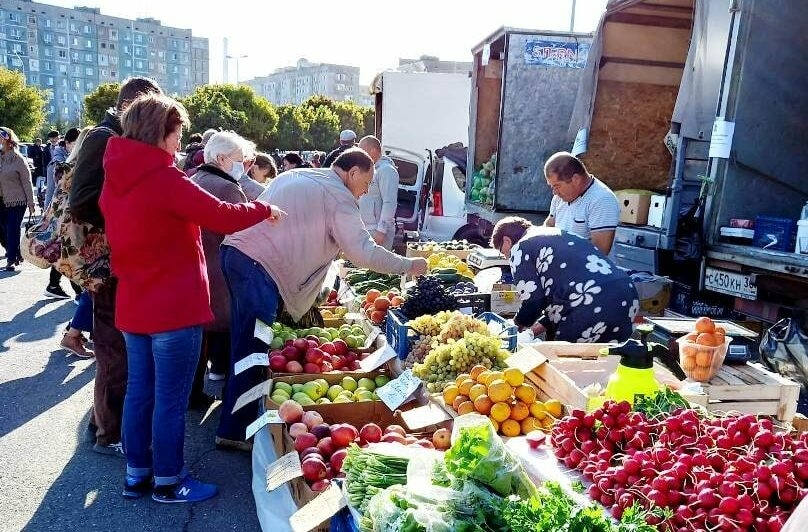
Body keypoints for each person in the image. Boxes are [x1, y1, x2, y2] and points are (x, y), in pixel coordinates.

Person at [100, 93, 283, 503]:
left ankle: (137, 475)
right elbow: (220, 214)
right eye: (177, 133)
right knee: (170, 399)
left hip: (134, 302)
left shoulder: (115, 178)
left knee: (139, 393)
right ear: (159, 132)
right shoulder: (163, 178)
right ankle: (169, 480)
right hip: (174, 306)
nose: (180, 143)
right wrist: (263, 209)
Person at [215, 148, 428, 449]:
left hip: (236, 255)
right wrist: (410, 265)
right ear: (352, 173)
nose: (365, 193)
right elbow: (363, 253)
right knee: (254, 350)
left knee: (244, 343)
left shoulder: (300, 174)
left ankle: (232, 418)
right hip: (258, 268)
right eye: (366, 184)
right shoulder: (338, 196)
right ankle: (234, 432)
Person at [70, 76, 164, 457]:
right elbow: (82, 201)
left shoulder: (117, 136)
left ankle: (105, 422)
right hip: (105, 258)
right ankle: (109, 432)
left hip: (119, 257)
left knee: (121, 344)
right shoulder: (104, 137)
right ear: (137, 106)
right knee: (113, 347)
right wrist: (126, 219)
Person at [492, 217, 638, 343]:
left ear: (506, 240)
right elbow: (563, 299)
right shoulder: (555, 234)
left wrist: (513, 327)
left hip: (589, 303)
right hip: (625, 295)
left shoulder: (520, 247)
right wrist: (532, 331)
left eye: (501, 251)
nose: (505, 257)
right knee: (607, 362)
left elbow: (534, 302)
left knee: (565, 363)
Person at [188, 131, 255, 406]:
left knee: (199, 339)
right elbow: (244, 230)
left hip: (199, 266)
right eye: (240, 160)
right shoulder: (227, 188)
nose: (243, 165)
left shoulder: (194, 179)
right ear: (222, 158)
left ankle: (194, 393)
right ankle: (230, 399)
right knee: (227, 333)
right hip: (220, 269)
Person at [57, 126, 95, 358]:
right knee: (95, 287)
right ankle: (73, 333)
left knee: (90, 288)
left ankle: (75, 332)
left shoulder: (68, 168)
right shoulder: (83, 170)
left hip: (71, 237)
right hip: (86, 237)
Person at [542, 152, 620, 255]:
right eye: (552, 187)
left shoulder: (602, 200)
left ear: (576, 179)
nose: (554, 192)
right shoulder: (559, 198)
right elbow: (549, 224)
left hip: (590, 268)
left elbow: (600, 249)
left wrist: (560, 254)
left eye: (557, 186)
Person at [44, 127, 82, 301]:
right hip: (61, 214)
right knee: (68, 252)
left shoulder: (71, 159)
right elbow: (54, 191)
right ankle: (79, 293)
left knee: (63, 252)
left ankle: (54, 285)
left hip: (65, 214)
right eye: (76, 144)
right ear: (67, 143)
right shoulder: (60, 162)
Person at [0, 127, 35, 271]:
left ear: (7, 139)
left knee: (12, 229)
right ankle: (16, 252)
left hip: (17, 200)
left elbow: (27, 181)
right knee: (2, 230)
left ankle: (11, 259)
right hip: (1, 200)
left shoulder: (18, 159)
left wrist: (31, 202)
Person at [357, 135, 399, 249]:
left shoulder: (387, 170)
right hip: (368, 228)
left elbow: (389, 202)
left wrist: (382, 230)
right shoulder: (373, 169)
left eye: (362, 151)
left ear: (374, 151)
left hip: (378, 231)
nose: (360, 155)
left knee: (377, 266)